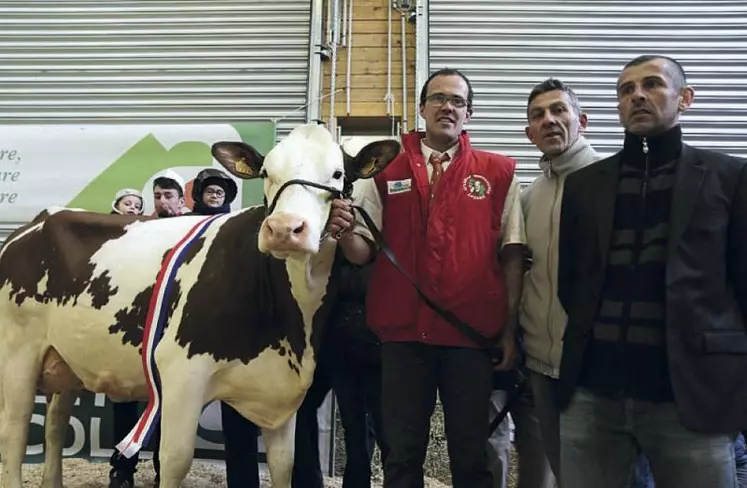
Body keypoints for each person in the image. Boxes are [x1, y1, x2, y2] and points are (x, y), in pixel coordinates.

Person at [327, 67, 526, 488]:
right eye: (438, 98)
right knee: (401, 455)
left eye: (457, 101)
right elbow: (362, 253)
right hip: (402, 338)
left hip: (470, 339)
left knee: (471, 456)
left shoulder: (499, 172)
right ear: (421, 108)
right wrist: (344, 232)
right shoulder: (383, 167)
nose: (447, 107)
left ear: (469, 113)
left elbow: (511, 254)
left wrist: (508, 330)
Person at [557, 54, 747, 488]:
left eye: (652, 85)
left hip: (689, 396)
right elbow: (572, 282)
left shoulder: (730, 177)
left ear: (685, 99)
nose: (638, 95)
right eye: (626, 90)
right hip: (593, 393)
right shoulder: (585, 185)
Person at [109, 171, 187, 488]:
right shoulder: (138, 230)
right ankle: (122, 470)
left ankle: (162, 472)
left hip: (173, 331)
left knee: (170, 404)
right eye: (157, 196)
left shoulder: (192, 230)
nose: (162, 201)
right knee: (126, 396)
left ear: (182, 200)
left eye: (169, 196)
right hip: (136, 325)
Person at [190, 168, 260, 488]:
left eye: (221, 191)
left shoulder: (243, 229)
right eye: (210, 191)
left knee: (239, 412)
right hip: (190, 333)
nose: (215, 195)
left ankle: (243, 483)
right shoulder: (182, 227)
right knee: (176, 410)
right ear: (200, 195)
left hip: (233, 333)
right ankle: (166, 476)